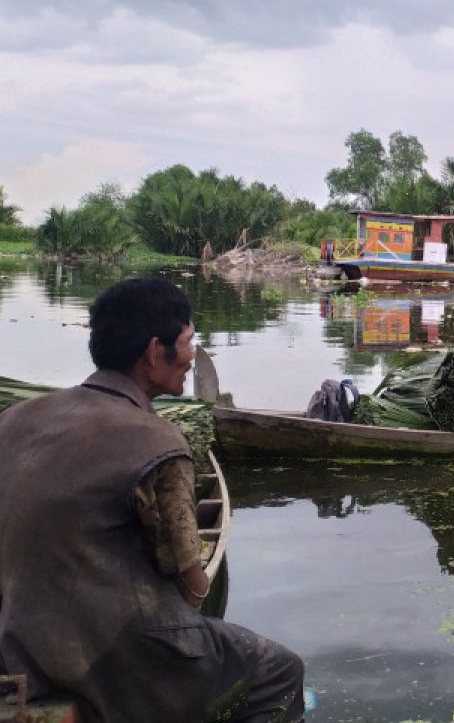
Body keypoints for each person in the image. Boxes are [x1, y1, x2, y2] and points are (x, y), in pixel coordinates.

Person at [0, 279, 304, 723]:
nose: (192, 355)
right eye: (187, 342)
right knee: (281, 671)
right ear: (153, 352)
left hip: (16, 644)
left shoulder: (13, 420)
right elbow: (190, 581)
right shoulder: (157, 440)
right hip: (106, 659)